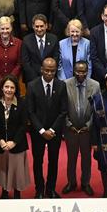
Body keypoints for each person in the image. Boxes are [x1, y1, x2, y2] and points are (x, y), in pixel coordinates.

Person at [27, 58, 68, 199]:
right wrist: (42, 130)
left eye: (52, 70)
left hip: (54, 132)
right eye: (47, 70)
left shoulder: (61, 85)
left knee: (53, 161)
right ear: (41, 69)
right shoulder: (32, 86)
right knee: (38, 161)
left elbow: (63, 111)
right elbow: (30, 112)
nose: (49, 73)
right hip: (38, 132)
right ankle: (39, 189)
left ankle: (50, 189)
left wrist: (52, 130)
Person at [0, 75, 30, 199]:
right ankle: (4, 191)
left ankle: (17, 193)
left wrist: (14, 142)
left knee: (17, 171)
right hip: (0, 144)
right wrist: (0, 140)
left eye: (12, 87)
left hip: (17, 144)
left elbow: (23, 125)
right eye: (6, 87)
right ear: (2, 88)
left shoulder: (22, 103)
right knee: (3, 170)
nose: (9, 90)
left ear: (16, 89)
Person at [64, 61, 100, 196]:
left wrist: (89, 125)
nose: (81, 74)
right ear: (74, 71)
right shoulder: (66, 84)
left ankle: (86, 183)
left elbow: (97, 109)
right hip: (71, 129)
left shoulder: (95, 85)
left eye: (83, 71)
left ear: (87, 71)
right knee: (71, 158)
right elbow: (63, 108)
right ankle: (71, 183)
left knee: (86, 158)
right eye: (78, 71)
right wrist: (69, 125)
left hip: (87, 129)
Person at [0, 16, 22, 96]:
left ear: (11, 28)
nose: (5, 31)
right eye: (2, 29)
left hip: (13, 84)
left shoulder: (19, 43)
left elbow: (19, 64)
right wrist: (0, 80)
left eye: (7, 28)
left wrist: (10, 80)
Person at [21, 14, 59, 83]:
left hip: (50, 78)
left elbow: (56, 59)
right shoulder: (26, 40)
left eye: (41, 26)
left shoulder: (54, 39)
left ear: (46, 26)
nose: (39, 29)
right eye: (37, 26)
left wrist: (48, 75)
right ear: (33, 26)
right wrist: (36, 80)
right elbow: (26, 63)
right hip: (31, 80)